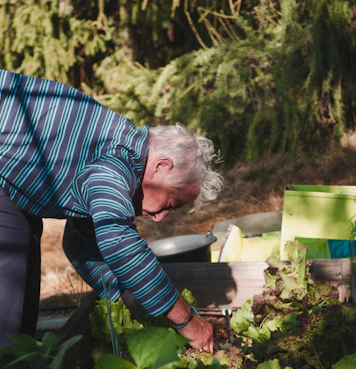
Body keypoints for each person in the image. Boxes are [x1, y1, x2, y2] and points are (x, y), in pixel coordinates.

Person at [0, 69, 224, 350]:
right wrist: (189, 322)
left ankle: (16, 367)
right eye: (170, 203)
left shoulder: (116, 151)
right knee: (10, 245)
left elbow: (81, 243)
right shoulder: (115, 164)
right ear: (162, 165)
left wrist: (124, 292)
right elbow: (118, 242)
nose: (160, 216)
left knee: (24, 238)